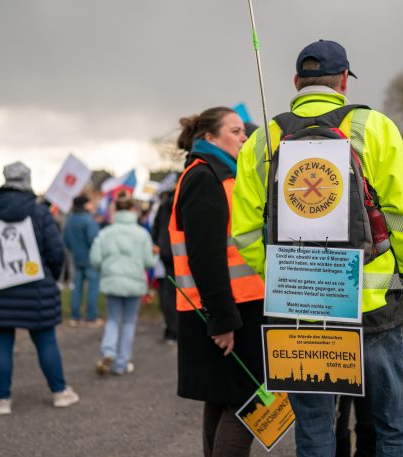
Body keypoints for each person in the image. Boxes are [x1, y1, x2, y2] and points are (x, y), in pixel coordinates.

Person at [232, 40, 403, 456]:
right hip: (372, 303)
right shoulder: (374, 127)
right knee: (394, 423)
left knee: (315, 430)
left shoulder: (262, 138)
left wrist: (283, 277)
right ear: (343, 81)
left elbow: (246, 230)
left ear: (295, 82)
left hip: (299, 308)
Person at [170, 107, 266, 457]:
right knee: (249, 402)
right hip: (228, 311)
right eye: (236, 131)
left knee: (224, 398)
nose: (244, 137)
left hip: (231, 307)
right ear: (209, 138)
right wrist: (222, 320)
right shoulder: (205, 177)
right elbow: (205, 256)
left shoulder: (222, 174)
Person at [0, 161, 79, 415]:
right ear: (28, 180)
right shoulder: (39, 212)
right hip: (36, 287)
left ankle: (2, 400)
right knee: (46, 340)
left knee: (1, 342)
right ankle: (59, 393)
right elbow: (56, 251)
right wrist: (49, 273)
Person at [90, 192, 157, 375]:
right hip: (135, 283)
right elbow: (150, 262)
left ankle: (108, 351)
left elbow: (95, 259)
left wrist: (106, 267)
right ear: (133, 209)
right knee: (129, 322)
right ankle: (121, 363)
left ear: (115, 209)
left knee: (113, 320)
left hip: (113, 281)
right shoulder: (142, 234)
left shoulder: (105, 233)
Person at [62, 195, 102, 327]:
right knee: (92, 288)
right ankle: (91, 316)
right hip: (90, 259)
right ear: (85, 205)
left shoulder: (69, 220)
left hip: (76, 258)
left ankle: (75, 316)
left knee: (77, 288)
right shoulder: (88, 220)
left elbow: (65, 241)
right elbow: (94, 241)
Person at [151, 189, 178, 343]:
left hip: (166, 254)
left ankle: (171, 329)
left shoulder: (163, 207)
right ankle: (179, 328)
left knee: (168, 293)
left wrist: (159, 245)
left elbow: (155, 229)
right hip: (183, 253)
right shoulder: (181, 201)